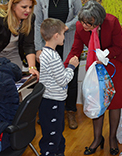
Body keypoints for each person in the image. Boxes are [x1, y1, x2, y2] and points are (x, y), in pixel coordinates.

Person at [64, 0, 122, 155]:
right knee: (97, 100)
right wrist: (65, 66)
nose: (84, 26)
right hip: (96, 65)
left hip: (116, 61)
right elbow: (76, 49)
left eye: (88, 23)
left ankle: (112, 138)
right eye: (82, 22)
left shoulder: (112, 22)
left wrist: (105, 55)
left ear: (98, 20)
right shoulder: (79, 27)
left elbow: (118, 45)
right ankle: (97, 139)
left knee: (115, 102)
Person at [34, 0, 82, 129]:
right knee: (47, 80)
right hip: (48, 46)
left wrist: (67, 26)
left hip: (68, 42)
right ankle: (47, 111)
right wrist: (38, 49)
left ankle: (70, 112)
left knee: (71, 79)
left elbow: (80, 16)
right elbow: (37, 23)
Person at [38, 18, 79, 156]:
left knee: (57, 133)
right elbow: (63, 80)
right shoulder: (52, 56)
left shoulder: (47, 53)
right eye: (62, 34)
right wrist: (71, 67)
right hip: (53, 102)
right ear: (56, 36)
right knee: (52, 136)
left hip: (53, 101)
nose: (64, 37)